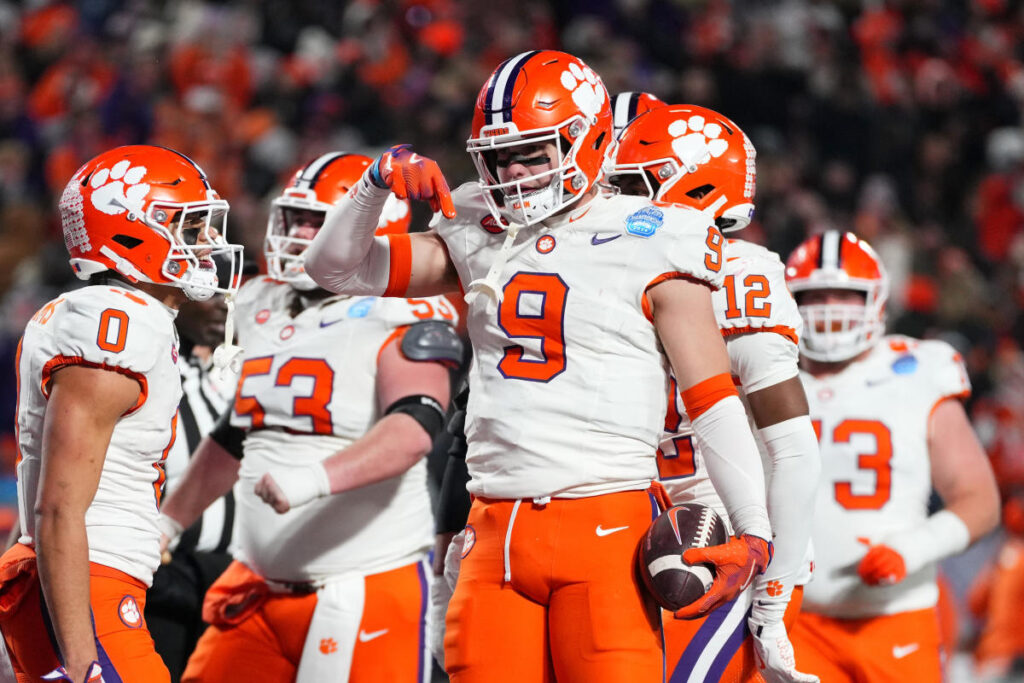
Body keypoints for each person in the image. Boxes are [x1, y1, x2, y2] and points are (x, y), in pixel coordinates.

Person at [304, 49, 774, 682]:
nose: (514, 172)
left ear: (589, 140)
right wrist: (372, 186)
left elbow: (712, 402)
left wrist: (755, 531)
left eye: (534, 152)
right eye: (500, 156)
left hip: (608, 521)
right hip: (493, 526)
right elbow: (332, 268)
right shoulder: (479, 230)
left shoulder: (656, 235)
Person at [157, 151, 462, 683]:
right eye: (293, 218)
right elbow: (237, 434)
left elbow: (414, 428)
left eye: (315, 220)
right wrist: (167, 522)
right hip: (257, 584)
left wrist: (313, 480)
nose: (299, 234)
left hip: (362, 582)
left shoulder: (404, 309)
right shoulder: (262, 302)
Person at [0, 145, 241, 683]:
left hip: (77, 578)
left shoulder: (118, 314)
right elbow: (59, 506)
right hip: (88, 582)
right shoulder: (119, 321)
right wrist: (84, 660)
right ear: (132, 230)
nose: (207, 245)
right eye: (190, 227)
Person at [608, 103, 821, 683]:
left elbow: (795, 453)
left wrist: (773, 598)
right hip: (618, 517)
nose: (610, 197)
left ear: (695, 184)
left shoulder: (741, 274)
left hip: (722, 536)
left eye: (626, 182)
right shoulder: (596, 262)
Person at [785, 230, 1000, 682]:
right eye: (814, 295)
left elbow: (979, 500)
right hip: (787, 622)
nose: (827, 307)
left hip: (895, 617)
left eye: (844, 294)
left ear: (876, 301)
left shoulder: (917, 371)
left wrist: (912, 548)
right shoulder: (764, 372)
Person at [145, 286, 241, 683]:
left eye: (231, 294)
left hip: (234, 579)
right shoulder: (150, 367)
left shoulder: (244, 372)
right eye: (211, 292)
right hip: (164, 573)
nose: (223, 303)